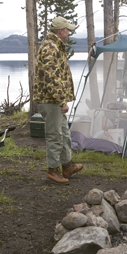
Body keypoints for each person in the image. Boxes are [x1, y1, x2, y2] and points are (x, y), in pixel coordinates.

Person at [33, 16, 83, 184]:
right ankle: (52, 171)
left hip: (54, 100)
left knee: (64, 134)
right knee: (55, 135)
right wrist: (62, 101)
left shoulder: (55, 46)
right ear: (61, 31)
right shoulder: (50, 48)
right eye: (67, 30)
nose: (69, 33)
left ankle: (67, 166)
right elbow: (52, 79)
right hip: (50, 100)